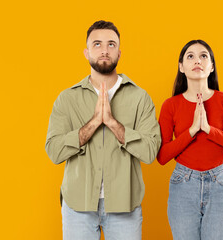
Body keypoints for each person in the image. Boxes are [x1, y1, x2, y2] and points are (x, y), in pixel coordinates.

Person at [45, 20, 161, 240]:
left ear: (119, 52)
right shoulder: (67, 98)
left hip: (125, 205)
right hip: (78, 205)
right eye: (97, 44)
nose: (105, 50)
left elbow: (150, 152)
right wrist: (93, 123)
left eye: (111, 44)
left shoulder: (140, 98)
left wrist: (113, 123)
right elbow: (54, 151)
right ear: (87, 52)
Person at [157, 40, 223, 240]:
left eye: (203, 56)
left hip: (220, 184)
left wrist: (209, 130)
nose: (197, 60)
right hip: (183, 184)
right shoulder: (170, 105)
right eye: (190, 56)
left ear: (211, 67)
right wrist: (192, 131)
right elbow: (162, 156)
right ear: (181, 67)